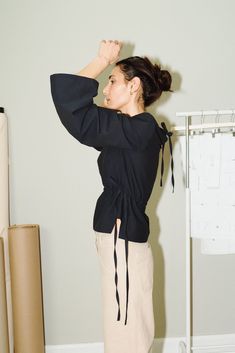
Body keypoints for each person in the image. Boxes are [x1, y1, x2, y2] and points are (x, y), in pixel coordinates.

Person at [50, 39, 174, 353]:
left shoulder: (138, 129)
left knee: (127, 331)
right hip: (121, 236)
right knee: (128, 326)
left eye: (113, 80)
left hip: (122, 237)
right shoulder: (129, 132)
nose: (105, 87)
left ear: (134, 87)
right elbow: (76, 115)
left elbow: (69, 103)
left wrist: (102, 59)